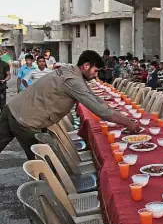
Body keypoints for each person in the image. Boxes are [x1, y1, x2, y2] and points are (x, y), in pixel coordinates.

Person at [1, 50, 140, 160]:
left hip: (12, 107)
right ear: (86, 66)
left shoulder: (69, 70)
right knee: (44, 164)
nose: (96, 75)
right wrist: (129, 123)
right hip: (25, 121)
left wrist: (117, 112)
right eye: (95, 71)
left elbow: (92, 97)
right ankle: (45, 195)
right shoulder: (73, 81)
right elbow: (102, 112)